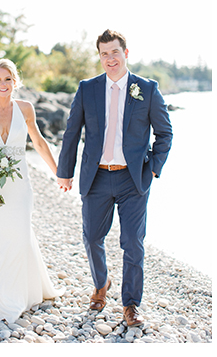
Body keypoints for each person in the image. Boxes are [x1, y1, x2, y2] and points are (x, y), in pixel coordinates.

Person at [57, 29, 173, 327]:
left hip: (133, 180)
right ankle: (101, 283)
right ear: (100, 57)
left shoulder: (146, 89)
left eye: (114, 52)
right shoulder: (87, 88)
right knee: (92, 237)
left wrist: (155, 168)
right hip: (95, 177)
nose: (110, 59)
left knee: (132, 242)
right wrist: (65, 173)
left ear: (126, 53)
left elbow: (165, 133)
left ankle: (131, 304)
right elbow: (72, 134)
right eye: (104, 53)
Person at [0, 59, 65, 323]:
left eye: (7, 79)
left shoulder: (25, 109)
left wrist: (59, 172)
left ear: (15, 81)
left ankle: (23, 293)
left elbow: (39, 142)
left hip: (20, 186)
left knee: (20, 234)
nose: (3, 84)